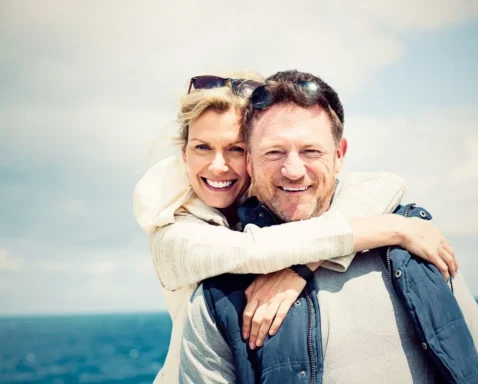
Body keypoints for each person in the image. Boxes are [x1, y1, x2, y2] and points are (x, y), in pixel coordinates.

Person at [134, 73, 459, 384]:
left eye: (236, 148)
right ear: (183, 153)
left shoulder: (269, 203)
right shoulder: (170, 229)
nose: (219, 165)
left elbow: (384, 183)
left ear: (252, 157)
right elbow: (254, 252)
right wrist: (390, 228)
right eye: (202, 147)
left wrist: (302, 268)